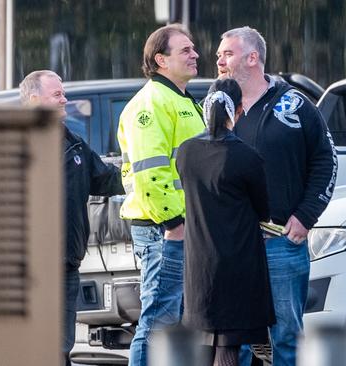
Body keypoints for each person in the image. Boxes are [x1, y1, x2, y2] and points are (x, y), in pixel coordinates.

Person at [215, 26, 337, 366]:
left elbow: (327, 160)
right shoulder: (215, 107)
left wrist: (306, 215)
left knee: (285, 336)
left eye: (227, 54)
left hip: (281, 242)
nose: (219, 60)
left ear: (253, 58)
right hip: (232, 247)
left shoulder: (295, 104)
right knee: (232, 340)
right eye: (219, 55)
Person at [20, 70, 125, 366]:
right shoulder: (12, 144)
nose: (65, 100)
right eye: (57, 95)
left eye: (63, 93)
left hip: (66, 263)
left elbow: (105, 179)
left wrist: (140, 175)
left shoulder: (73, 142)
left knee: (60, 346)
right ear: (34, 99)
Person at [117, 24, 205, 366]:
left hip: (181, 226)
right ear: (161, 60)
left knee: (176, 320)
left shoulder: (180, 99)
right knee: (159, 318)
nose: (195, 54)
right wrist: (173, 222)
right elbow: (149, 172)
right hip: (164, 228)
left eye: (193, 48)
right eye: (185, 50)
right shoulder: (151, 103)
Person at [177, 78, 275, 366]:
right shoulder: (247, 156)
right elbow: (263, 211)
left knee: (204, 344)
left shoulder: (185, 152)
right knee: (229, 346)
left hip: (198, 260)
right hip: (238, 259)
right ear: (240, 110)